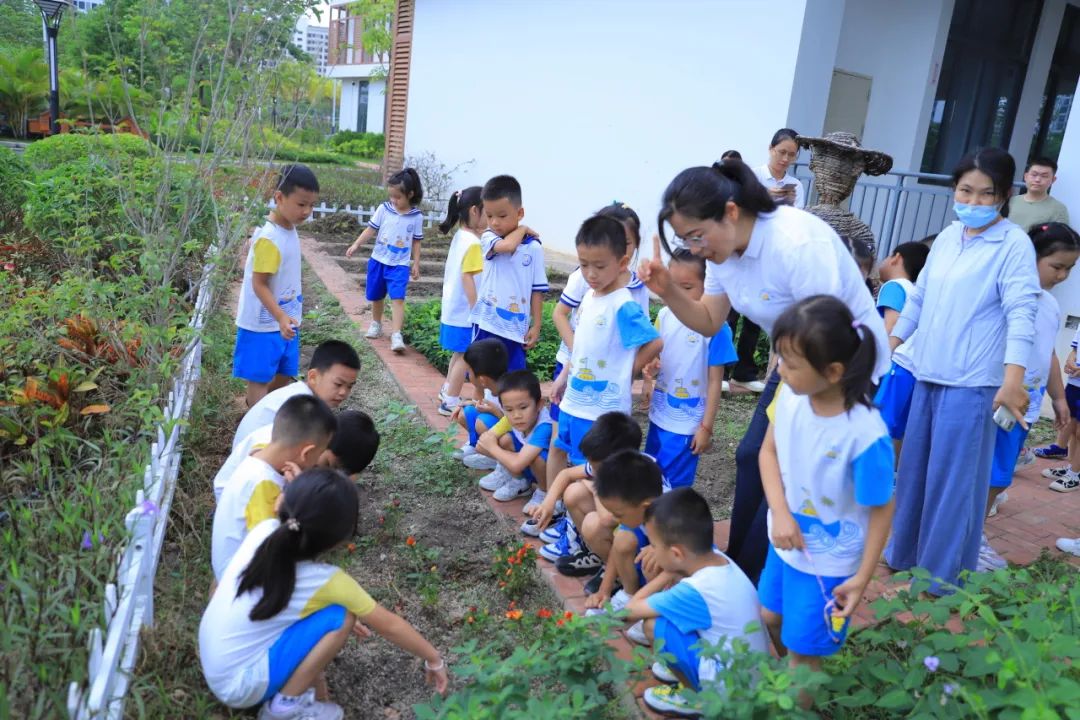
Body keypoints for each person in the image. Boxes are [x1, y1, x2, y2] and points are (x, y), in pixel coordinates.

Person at [639, 160, 889, 584]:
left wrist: (796, 391)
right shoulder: (721, 255)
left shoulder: (796, 244)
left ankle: (772, 580)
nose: (695, 249)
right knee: (752, 455)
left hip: (839, 367)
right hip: (794, 361)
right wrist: (666, 292)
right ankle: (742, 572)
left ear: (732, 212)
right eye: (685, 240)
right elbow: (707, 320)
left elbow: (828, 332)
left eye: (697, 236)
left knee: (794, 469)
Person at [885, 147, 1041, 596]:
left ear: (1004, 195)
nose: (972, 203)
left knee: (954, 486)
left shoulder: (1013, 244)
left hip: (973, 384)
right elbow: (919, 298)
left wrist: (1012, 380)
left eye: (984, 194)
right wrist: (891, 345)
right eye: (964, 191)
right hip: (929, 372)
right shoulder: (951, 236)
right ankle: (904, 555)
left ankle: (940, 578)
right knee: (914, 472)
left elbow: (1021, 313)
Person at [200, 469, 448, 718]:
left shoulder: (263, 531)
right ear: (337, 541)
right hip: (240, 686)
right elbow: (389, 626)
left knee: (324, 612)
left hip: (215, 661)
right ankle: (285, 707)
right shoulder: (329, 582)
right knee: (340, 618)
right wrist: (433, 658)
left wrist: (301, 489)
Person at [759, 296, 894, 709]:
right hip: (784, 541)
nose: (780, 370)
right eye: (779, 358)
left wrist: (862, 578)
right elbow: (768, 453)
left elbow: (882, 509)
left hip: (829, 564)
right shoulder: (791, 395)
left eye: (791, 363)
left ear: (833, 372)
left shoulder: (864, 435)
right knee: (769, 619)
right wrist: (780, 512)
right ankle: (792, 690)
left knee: (804, 654)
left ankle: (799, 704)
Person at [547, 215, 661, 521]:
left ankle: (590, 534)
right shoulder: (589, 296)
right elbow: (584, 347)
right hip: (575, 403)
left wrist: (628, 372)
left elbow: (654, 342)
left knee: (597, 476)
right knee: (572, 460)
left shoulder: (623, 304)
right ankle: (569, 524)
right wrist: (564, 375)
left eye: (599, 266)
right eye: (584, 265)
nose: (591, 273)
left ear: (622, 262)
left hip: (602, 412)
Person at [981, 223, 1079, 570]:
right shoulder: (1004, 295)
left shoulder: (1050, 304)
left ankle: (975, 529)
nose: (1063, 275)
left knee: (1000, 471)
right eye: (1057, 266)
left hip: (1029, 400)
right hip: (998, 395)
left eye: (1070, 268)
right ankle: (971, 535)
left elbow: (1048, 355)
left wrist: (1059, 398)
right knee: (986, 469)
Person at [625, 487, 767, 718]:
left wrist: (665, 574)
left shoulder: (696, 590)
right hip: (750, 677)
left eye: (653, 545)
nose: (650, 551)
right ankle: (690, 672)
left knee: (653, 625)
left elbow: (629, 611)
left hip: (730, 691)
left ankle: (695, 698)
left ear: (677, 554)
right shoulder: (721, 561)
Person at [213, 395, 337, 579]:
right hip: (241, 581)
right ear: (307, 453)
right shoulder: (263, 486)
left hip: (235, 568)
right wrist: (296, 501)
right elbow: (273, 551)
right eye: (319, 454)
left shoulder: (257, 460)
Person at [644, 249, 736, 488]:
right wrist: (648, 373)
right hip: (660, 413)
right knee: (651, 476)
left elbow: (716, 381)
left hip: (688, 424)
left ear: (710, 287)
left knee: (672, 486)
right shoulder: (664, 316)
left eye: (686, 288)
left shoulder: (716, 330)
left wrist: (706, 427)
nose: (677, 295)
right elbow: (655, 359)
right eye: (671, 286)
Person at [552, 203, 649, 421]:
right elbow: (559, 314)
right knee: (563, 423)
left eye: (625, 243)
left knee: (603, 428)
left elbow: (641, 337)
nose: (619, 247)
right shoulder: (586, 276)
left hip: (612, 370)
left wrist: (635, 372)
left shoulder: (637, 287)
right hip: (575, 363)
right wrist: (576, 351)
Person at [234, 164, 319, 408]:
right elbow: (259, 284)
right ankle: (254, 422)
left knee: (284, 372)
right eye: (301, 204)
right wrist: (280, 316)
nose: (307, 211)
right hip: (262, 324)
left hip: (286, 321)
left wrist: (285, 317)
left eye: (312, 205)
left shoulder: (289, 229)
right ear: (279, 198)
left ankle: (259, 410)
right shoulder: (269, 238)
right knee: (259, 378)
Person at [532, 412, 642, 584]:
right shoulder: (614, 463)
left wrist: (595, 488)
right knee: (574, 492)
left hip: (643, 547)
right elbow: (566, 474)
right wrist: (548, 503)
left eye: (597, 468)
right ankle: (600, 557)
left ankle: (621, 577)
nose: (593, 471)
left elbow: (607, 519)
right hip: (623, 531)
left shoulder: (633, 476)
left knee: (593, 524)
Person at [468, 175, 548, 372]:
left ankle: (500, 405)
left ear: (520, 212)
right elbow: (508, 245)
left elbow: (537, 290)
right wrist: (523, 228)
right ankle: (480, 402)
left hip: (516, 330)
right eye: (489, 216)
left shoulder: (534, 249)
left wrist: (536, 325)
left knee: (512, 379)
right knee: (483, 375)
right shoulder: (488, 237)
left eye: (502, 216)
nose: (494, 222)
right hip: (487, 324)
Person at [214, 410, 381, 502]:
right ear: (325, 440)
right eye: (328, 465)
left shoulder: (308, 440)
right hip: (231, 499)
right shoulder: (276, 453)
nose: (324, 472)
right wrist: (297, 493)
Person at [346, 168, 425, 354]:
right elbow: (370, 230)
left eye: (397, 197)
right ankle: (376, 323)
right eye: (391, 196)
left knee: (398, 297)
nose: (394, 200)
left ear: (410, 194)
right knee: (376, 295)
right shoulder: (384, 209)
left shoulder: (416, 217)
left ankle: (397, 334)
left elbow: (417, 241)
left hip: (399, 265)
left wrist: (416, 263)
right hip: (378, 260)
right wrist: (356, 244)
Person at [233, 340, 360, 451]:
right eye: (338, 384)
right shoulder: (304, 407)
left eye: (349, 386)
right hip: (254, 468)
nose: (344, 392)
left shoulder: (299, 394)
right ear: (313, 377)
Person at [583, 449, 664, 615]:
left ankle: (655, 610)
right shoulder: (638, 506)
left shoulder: (672, 519)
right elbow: (617, 549)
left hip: (684, 578)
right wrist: (604, 591)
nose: (615, 519)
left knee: (656, 560)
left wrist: (661, 550)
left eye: (618, 514)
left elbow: (687, 565)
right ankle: (629, 595)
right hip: (653, 574)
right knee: (622, 539)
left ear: (645, 506)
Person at [873, 241, 931, 458]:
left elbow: (892, 323)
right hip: (914, 366)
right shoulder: (915, 290)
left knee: (883, 421)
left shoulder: (894, 286)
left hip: (898, 362)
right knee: (900, 424)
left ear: (896, 258)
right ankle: (895, 474)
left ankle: (877, 469)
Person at [436, 187, 486, 416]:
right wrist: (477, 310)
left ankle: (448, 390)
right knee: (466, 357)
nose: (492, 218)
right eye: (490, 212)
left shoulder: (461, 237)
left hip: (454, 309)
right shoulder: (474, 243)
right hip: (466, 312)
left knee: (459, 354)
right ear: (475, 211)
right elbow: (469, 279)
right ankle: (450, 401)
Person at [474, 369, 553, 503]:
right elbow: (480, 446)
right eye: (509, 409)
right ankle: (520, 482)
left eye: (523, 407)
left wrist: (493, 448)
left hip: (551, 474)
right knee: (505, 440)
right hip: (526, 463)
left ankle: (544, 492)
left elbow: (515, 463)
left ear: (539, 404)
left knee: (537, 459)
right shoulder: (510, 418)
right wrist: (498, 449)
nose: (516, 415)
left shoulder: (545, 426)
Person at [451, 337, 510, 477]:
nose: (468, 374)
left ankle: (495, 458)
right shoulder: (490, 385)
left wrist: (494, 411)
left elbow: (515, 424)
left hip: (511, 436)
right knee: (467, 412)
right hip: (496, 427)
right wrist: (468, 403)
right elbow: (481, 403)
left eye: (469, 371)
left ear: (482, 379)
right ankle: (476, 446)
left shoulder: (509, 392)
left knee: (481, 422)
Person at [1008, 157, 1070, 232]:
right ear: (1026, 177)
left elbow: (1058, 238)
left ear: (1053, 180)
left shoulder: (1058, 209)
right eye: (1034, 175)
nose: (1037, 180)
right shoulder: (1009, 201)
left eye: (1044, 176)